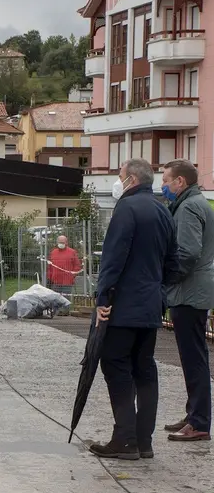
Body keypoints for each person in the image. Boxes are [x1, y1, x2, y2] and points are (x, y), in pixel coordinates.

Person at [89, 159, 180, 460]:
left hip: (123, 307)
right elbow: (173, 264)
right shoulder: (162, 211)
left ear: (130, 180)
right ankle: (144, 441)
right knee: (145, 370)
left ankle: (124, 439)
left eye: (119, 176)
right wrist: (158, 293)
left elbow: (113, 259)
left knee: (116, 366)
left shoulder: (125, 209)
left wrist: (102, 299)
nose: (117, 182)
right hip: (151, 306)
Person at [161, 159, 214, 443]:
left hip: (189, 291)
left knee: (193, 358)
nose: (163, 186)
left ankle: (199, 422)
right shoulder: (195, 203)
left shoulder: (190, 207)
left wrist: (168, 278)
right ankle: (194, 413)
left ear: (180, 182)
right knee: (193, 357)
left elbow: (188, 252)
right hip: (192, 290)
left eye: (166, 181)